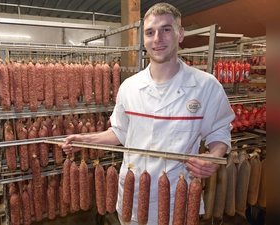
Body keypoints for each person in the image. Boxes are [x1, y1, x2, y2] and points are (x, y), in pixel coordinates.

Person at [59, 2, 234, 224]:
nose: (157, 38)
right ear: (144, 39)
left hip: (177, 198)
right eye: (150, 32)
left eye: (166, 30)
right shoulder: (129, 87)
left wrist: (215, 156)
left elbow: (219, 133)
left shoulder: (207, 86)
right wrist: (86, 140)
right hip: (133, 195)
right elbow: (120, 132)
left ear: (180, 34)